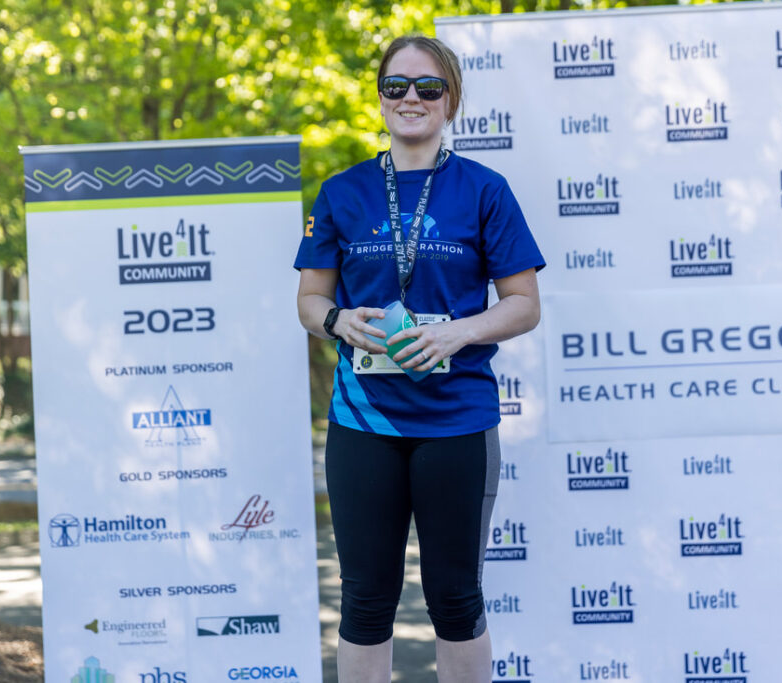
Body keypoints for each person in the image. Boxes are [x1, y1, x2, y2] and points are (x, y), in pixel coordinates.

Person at [295, 35, 544, 683]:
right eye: (396, 85)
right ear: (380, 98)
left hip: (456, 421)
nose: (411, 98)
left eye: (428, 87)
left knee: (455, 599)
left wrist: (458, 333)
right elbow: (310, 299)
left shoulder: (485, 189)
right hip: (363, 423)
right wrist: (338, 320)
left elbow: (524, 304)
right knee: (365, 600)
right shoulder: (342, 191)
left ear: (450, 100)